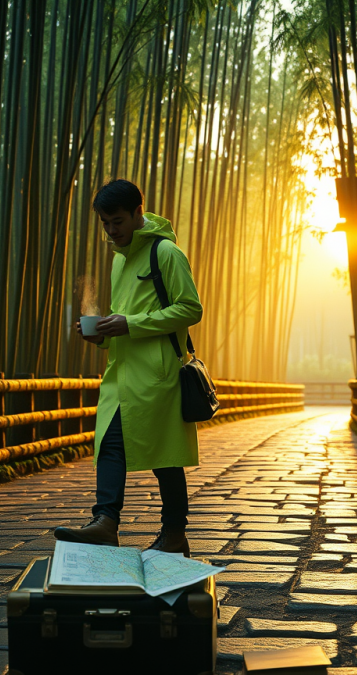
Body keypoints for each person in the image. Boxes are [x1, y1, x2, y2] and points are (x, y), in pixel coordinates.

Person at [54, 179, 203, 557]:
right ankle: (105, 521)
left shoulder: (166, 253)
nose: (111, 231)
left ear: (139, 212)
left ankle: (174, 534)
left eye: (117, 221)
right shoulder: (119, 259)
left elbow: (190, 309)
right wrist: (102, 334)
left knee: (164, 459)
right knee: (109, 446)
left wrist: (130, 324)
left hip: (158, 376)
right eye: (104, 223)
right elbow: (123, 319)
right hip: (120, 373)